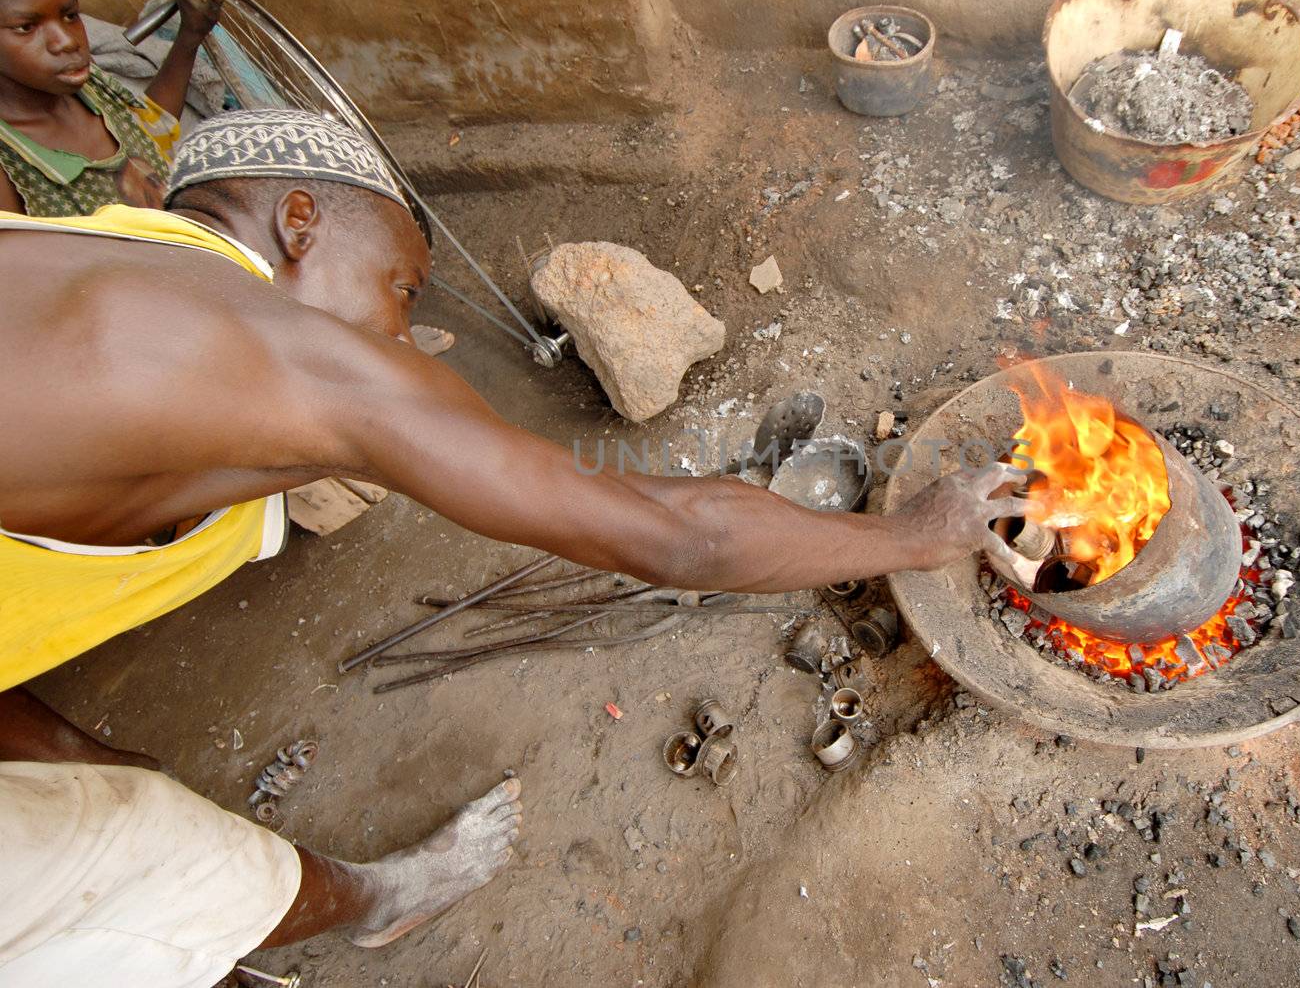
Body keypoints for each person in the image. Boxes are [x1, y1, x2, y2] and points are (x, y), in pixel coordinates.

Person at [0, 108, 1025, 984]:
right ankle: (380, 898)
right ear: (299, 222)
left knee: (104, 795)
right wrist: (912, 532)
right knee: (161, 858)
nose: (401, 340)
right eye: (403, 291)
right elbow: (675, 535)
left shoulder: (78, 263)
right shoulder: (283, 358)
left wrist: (71, 754)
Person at [0, 0, 220, 216]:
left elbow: (149, 131)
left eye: (69, 15)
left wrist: (190, 35)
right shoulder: (12, 164)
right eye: (27, 27)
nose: (66, 41)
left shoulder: (90, 89)